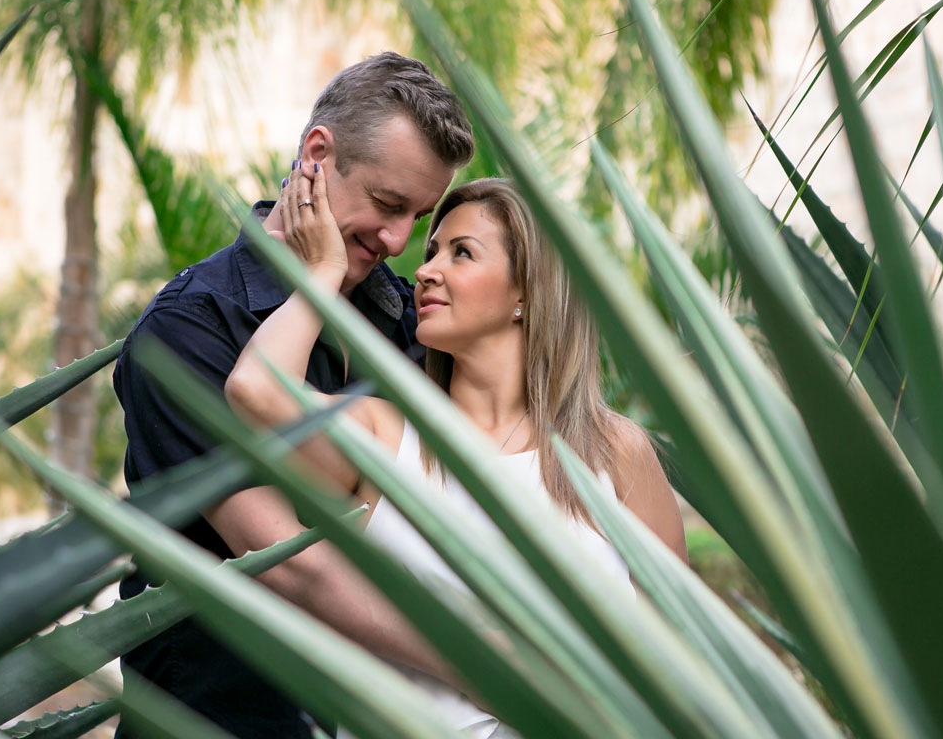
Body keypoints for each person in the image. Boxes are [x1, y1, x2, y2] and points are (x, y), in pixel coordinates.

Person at [225, 175, 689, 736]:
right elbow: (256, 391)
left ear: (527, 292)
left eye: (461, 253)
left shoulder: (613, 452)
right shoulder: (385, 435)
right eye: (432, 251)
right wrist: (323, 272)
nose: (424, 270)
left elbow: (680, 653)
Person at [112, 51, 475, 738]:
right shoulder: (185, 332)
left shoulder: (410, 320)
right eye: (387, 204)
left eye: (419, 217)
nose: (399, 241)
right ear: (317, 154)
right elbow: (294, 571)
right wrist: (486, 664)